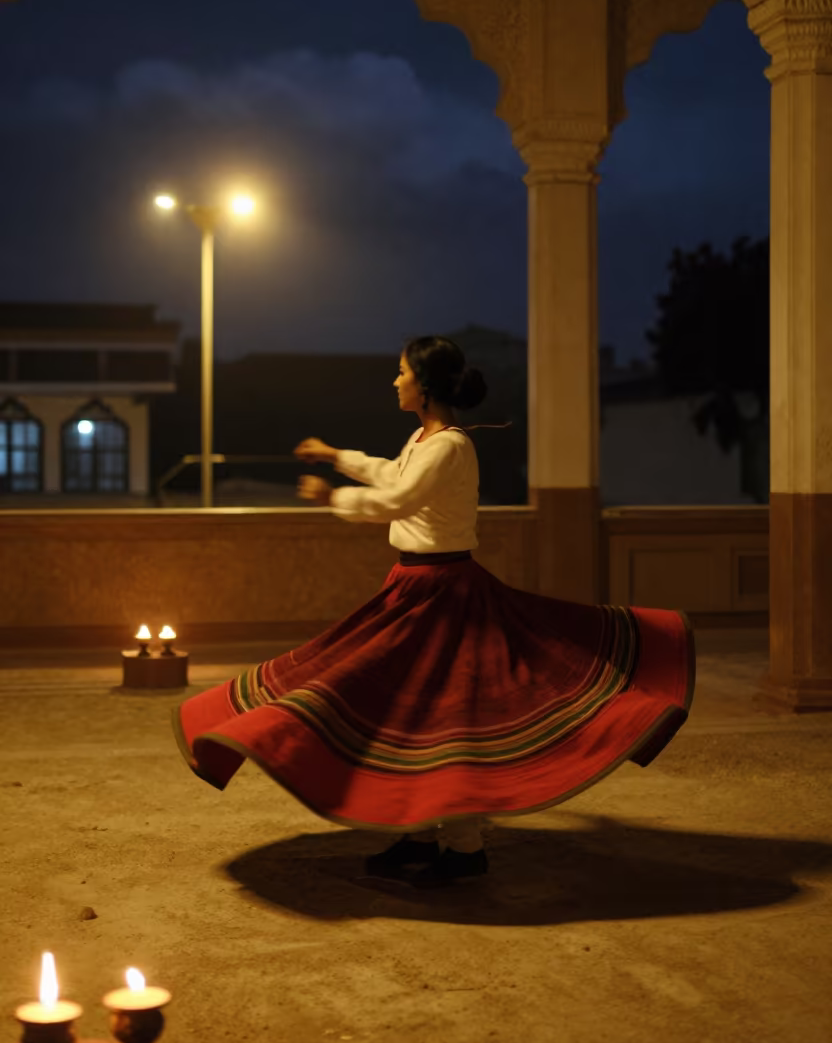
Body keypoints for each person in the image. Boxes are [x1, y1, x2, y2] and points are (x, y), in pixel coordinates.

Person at [173, 335, 695, 889]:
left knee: (449, 718)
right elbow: (391, 476)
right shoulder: (425, 440)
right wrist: (335, 456)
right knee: (414, 714)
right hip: (416, 588)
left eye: (401, 372)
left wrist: (332, 498)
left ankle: (464, 847)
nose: (394, 381)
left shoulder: (449, 447)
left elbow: (398, 501)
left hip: (444, 594)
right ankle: (422, 832)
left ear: (423, 385)